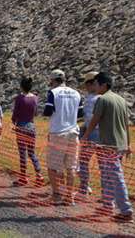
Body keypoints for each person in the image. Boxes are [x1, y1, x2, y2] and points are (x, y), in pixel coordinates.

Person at [81, 72, 133, 222]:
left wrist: (85, 136)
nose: (95, 86)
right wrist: (128, 143)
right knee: (109, 174)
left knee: (115, 175)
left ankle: (125, 209)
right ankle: (107, 204)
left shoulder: (102, 100)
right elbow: (126, 124)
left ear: (103, 85)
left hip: (108, 144)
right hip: (120, 143)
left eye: (96, 83)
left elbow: (94, 120)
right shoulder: (121, 99)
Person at [43, 69, 82, 205]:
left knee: (52, 166)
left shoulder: (53, 93)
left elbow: (47, 112)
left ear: (53, 80)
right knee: (71, 167)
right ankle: (69, 197)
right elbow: (81, 113)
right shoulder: (76, 93)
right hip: (73, 132)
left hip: (58, 132)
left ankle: (56, 194)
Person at [11, 77, 44, 186]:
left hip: (21, 126)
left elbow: (15, 114)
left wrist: (14, 122)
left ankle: (23, 177)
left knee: (22, 153)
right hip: (31, 126)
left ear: (21, 87)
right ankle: (39, 174)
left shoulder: (19, 98)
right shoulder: (35, 98)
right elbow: (35, 113)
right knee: (31, 152)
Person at [78, 71, 101, 197]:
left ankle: (84, 188)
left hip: (91, 132)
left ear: (91, 84)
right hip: (103, 133)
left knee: (83, 160)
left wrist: (85, 133)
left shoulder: (91, 99)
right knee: (103, 164)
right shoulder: (103, 97)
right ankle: (107, 196)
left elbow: (90, 119)